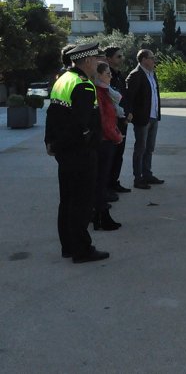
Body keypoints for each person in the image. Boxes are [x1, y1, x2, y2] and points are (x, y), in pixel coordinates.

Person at [44, 42, 109, 263]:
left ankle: (69, 246)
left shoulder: (62, 79)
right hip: (80, 153)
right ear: (88, 61)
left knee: (68, 201)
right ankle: (82, 249)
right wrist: (90, 144)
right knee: (82, 202)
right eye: (97, 60)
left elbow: (52, 114)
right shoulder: (83, 85)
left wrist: (50, 142)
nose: (100, 63)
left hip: (64, 150)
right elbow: (82, 125)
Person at [125, 49, 163, 190]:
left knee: (149, 148)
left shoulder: (152, 74)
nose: (154, 60)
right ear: (143, 59)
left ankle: (147, 174)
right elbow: (129, 97)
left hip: (153, 117)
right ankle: (138, 178)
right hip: (142, 118)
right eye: (152, 58)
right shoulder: (135, 75)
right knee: (140, 148)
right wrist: (130, 113)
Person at [93, 62, 123, 231]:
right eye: (107, 74)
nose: (110, 76)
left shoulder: (106, 92)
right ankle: (101, 217)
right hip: (104, 141)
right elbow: (104, 121)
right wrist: (117, 136)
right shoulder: (100, 92)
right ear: (99, 75)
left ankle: (100, 215)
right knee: (100, 181)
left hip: (107, 139)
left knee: (101, 181)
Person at [103, 45, 130, 194]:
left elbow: (124, 96)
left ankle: (114, 182)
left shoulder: (119, 75)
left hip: (122, 120)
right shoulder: (106, 75)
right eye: (118, 56)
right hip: (113, 121)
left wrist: (129, 113)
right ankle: (106, 186)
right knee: (111, 155)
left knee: (119, 154)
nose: (121, 59)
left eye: (122, 56)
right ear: (109, 59)